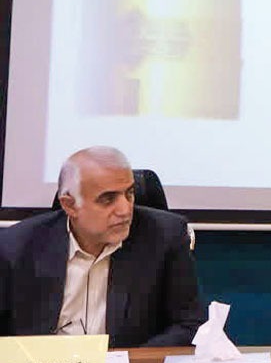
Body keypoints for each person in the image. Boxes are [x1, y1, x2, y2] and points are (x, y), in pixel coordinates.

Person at [0, 146, 203, 346]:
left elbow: (189, 325)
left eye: (129, 193)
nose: (125, 210)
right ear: (70, 205)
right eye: (107, 199)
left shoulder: (164, 236)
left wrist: (130, 361)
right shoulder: (15, 247)